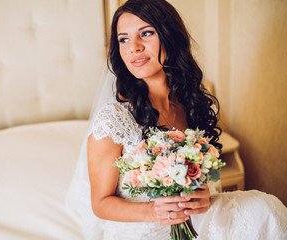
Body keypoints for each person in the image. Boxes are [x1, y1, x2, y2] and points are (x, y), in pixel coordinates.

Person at [67, 0, 287, 239]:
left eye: (146, 33)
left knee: (265, 209)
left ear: (169, 36)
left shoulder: (190, 101)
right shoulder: (114, 119)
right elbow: (100, 203)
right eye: (124, 39)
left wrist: (201, 195)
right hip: (142, 229)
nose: (134, 47)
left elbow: (201, 176)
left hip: (192, 221)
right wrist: (153, 211)